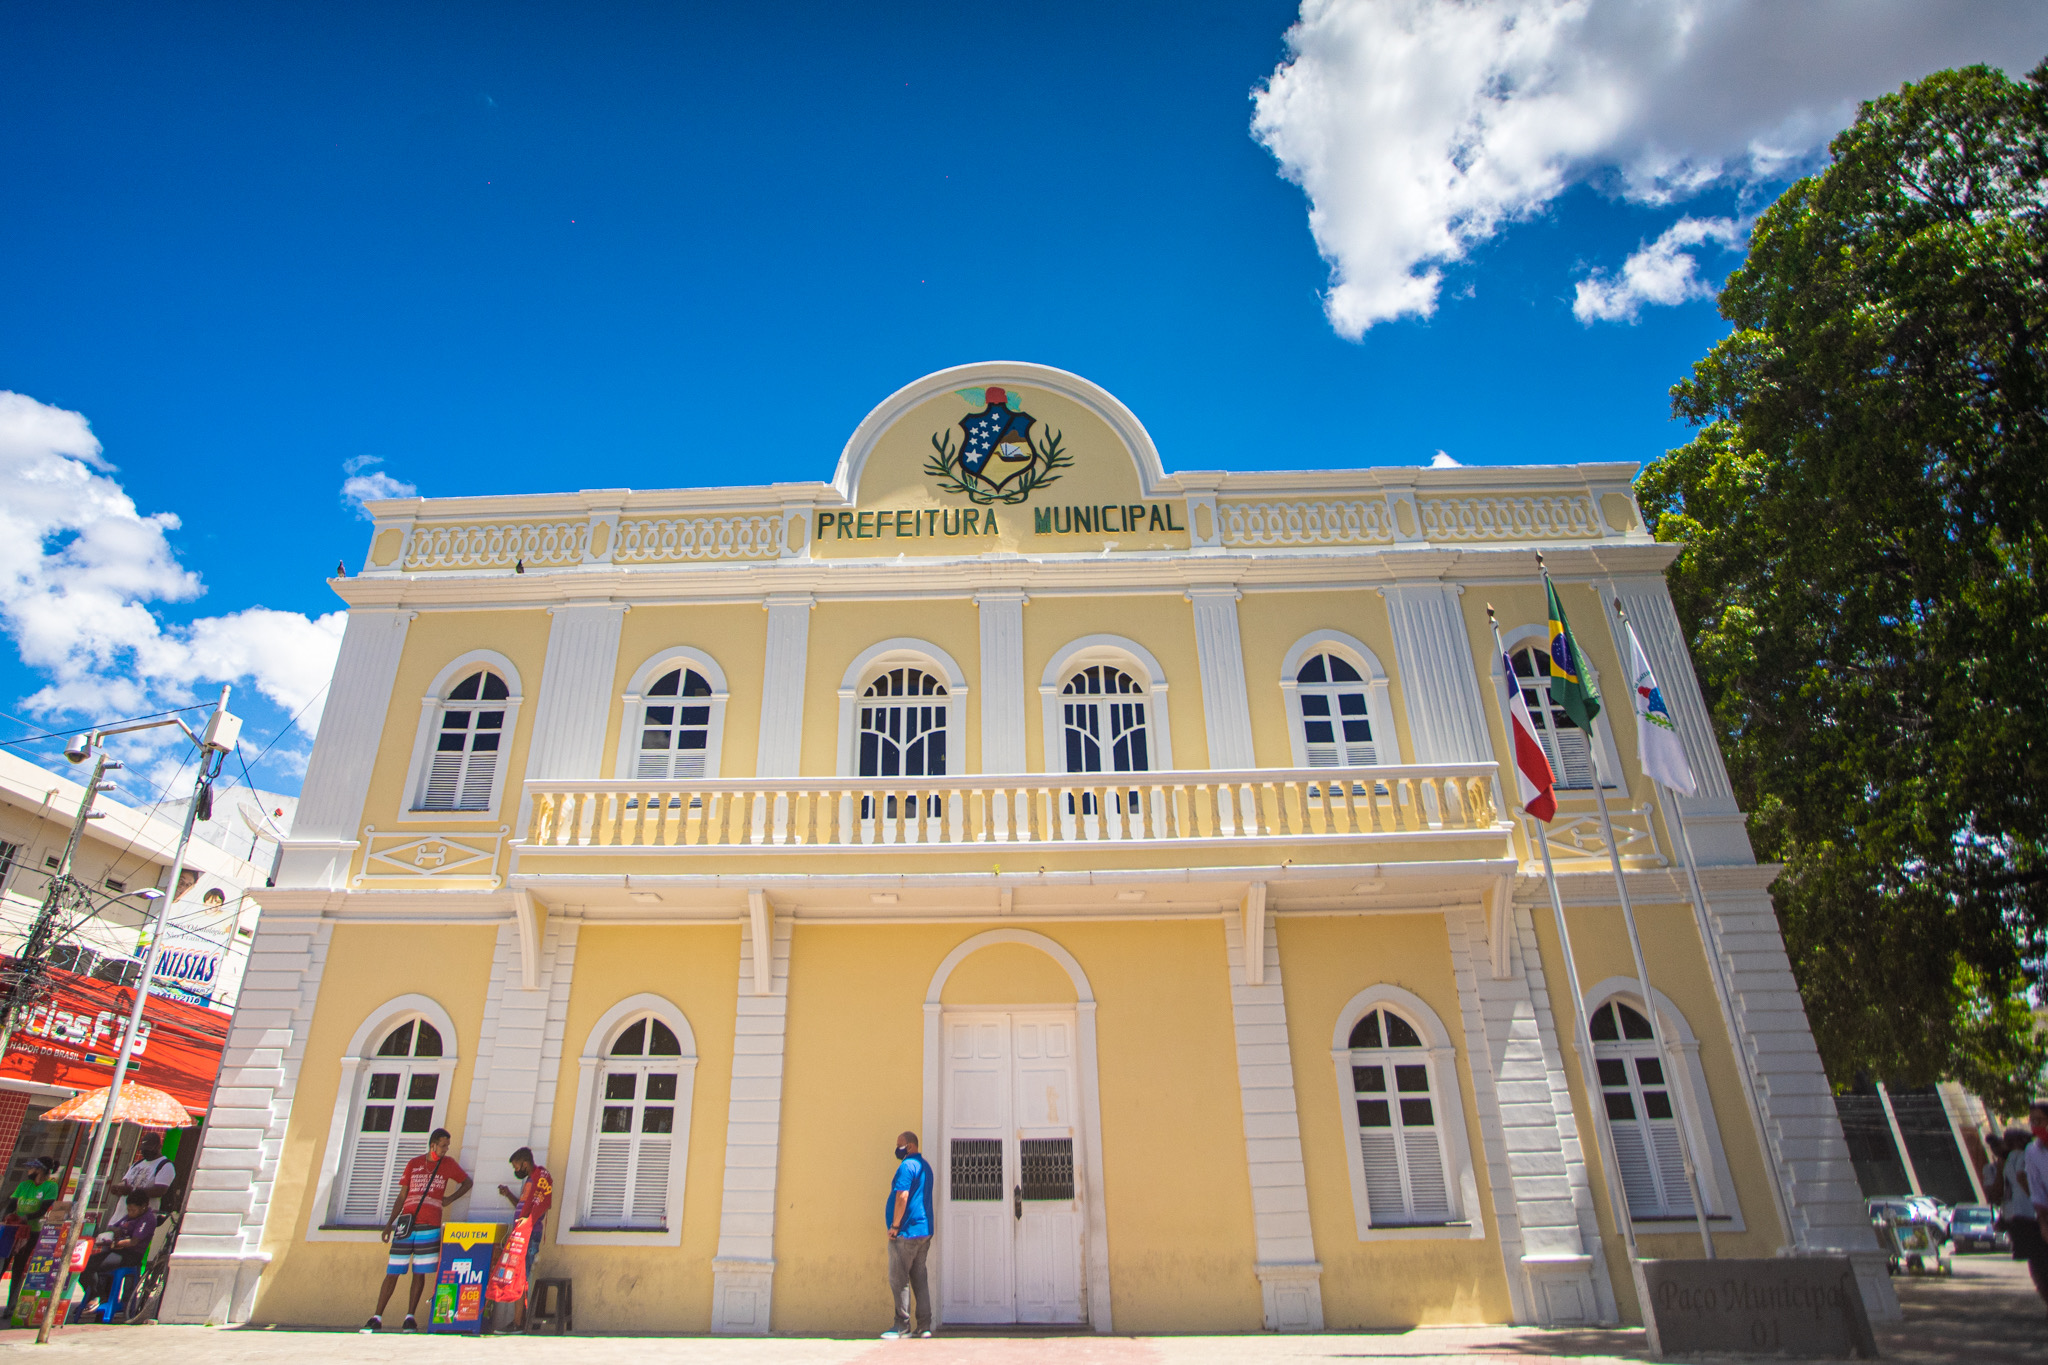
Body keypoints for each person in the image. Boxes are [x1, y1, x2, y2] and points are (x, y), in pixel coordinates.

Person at [363, 1128, 471, 1333]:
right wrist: (389, 1224)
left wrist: (450, 1199)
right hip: (406, 1224)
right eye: (443, 1145)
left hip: (429, 1225)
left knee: (419, 1272)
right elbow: (402, 1195)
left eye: (447, 1145)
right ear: (433, 1144)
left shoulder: (448, 1165)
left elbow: (467, 1183)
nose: (446, 1149)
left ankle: (409, 1317)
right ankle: (376, 1317)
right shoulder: (414, 1164)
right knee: (393, 1270)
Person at [880, 1130, 934, 1341]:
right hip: (924, 1232)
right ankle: (925, 1326)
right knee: (919, 1278)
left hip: (906, 1232)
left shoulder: (906, 1166)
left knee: (899, 1278)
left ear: (910, 1146)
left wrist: (895, 1226)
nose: (897, 1149)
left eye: (900, 1145)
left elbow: (902, 1197)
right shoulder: (925, 1167)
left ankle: (901, 1325)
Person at [496, 1147, 553, 1331]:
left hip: (528, 1234)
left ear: (525, 1164)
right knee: (518, 1277)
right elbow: (522, 1208)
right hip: (521, 1234)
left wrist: (526, 1227)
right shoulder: (529, 1181)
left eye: (516, 1166)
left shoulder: (539, 1178)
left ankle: (519, 1323)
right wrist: (508, 1195)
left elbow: (540, 1208)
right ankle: (520, 1321)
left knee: (520, 1277)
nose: (516, 1170)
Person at [76, 1194, 156, 1319]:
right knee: (84, 1265)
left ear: (143, 1207)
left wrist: (116, 1244)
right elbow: (114, 1226)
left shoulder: (148, 1219)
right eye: (128, 1210)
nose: (130, 1213)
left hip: (131, 1255)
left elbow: (134, 1241)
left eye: (133, 1210)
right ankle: (96, 1294)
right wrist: (114, 1231)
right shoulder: (128, 1217)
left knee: (92, 1266)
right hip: (116, 1251)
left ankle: (98, 1296)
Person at [4, 1159, 57, 1316]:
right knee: (2, 1262)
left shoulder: (50, 1186)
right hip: (13, 1229)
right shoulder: (23, 1185)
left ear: (41, 1170)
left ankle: (11, 1305)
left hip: (32, 1231)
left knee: (18, 1266)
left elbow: (43, 1209)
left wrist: (26, 1218)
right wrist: (8, 1216)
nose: (29, 1170)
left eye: (33, 1168)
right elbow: (12, 1205)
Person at [107, 1131, 175, 1211]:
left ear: (159, 1147)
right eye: (143, 1149)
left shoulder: (165, 1165)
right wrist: (118, 1188)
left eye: (148, 1149)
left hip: (142, 1217)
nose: (144, 1152)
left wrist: (132, 1191)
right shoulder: (137, 1164)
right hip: (121, 1214)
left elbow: (160, 1190)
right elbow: (125, 1181)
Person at [2026, 1104, 2048, 1318]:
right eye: (2032, 1121)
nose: (2035, 1126)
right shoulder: (2033, 1152)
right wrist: (2043, 1224)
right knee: (2040, 1270)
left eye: (2039, 1121)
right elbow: (2037, 1191)